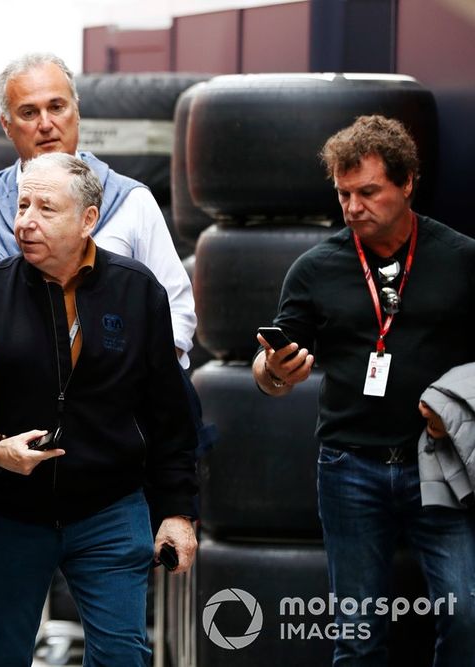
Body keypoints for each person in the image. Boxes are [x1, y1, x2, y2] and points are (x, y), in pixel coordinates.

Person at [253, 115, 475, 665]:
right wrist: (275, 372)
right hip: (350, 466)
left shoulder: (462, 258)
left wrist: (459, 405)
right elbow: (269, 372)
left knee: (466, 615)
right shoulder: (314, 268)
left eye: (368, 192)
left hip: (441, 464)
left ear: (406, 183)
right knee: (357, 634)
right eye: (344, 194)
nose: (353, 207)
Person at [0, 152, 198, 666]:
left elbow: (168, 410)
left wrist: (178, 512)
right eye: (22, 204)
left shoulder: (137, 291)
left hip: (109, 508)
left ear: (88, 219)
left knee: (122, 656)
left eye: (45, 208)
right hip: (10, 511)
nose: (25, 220)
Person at [0, 52, 196, 363]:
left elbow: (176, 309)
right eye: (28, 113)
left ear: (76, 110)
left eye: (57, 107)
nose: (46, 124)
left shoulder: (131, 202)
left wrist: (138, 385)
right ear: (6, 125)